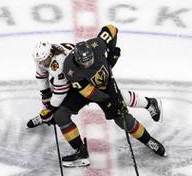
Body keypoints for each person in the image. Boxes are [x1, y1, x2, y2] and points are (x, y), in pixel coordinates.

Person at [29, 24, 165, 167]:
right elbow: (87, 92)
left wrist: (112, 52)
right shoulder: (69, 70)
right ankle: (81, 152)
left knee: (122, 120)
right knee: (60, 115)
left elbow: (111, 29)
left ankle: (148, 139)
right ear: (76, 59)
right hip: (85, 87)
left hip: (103, 84)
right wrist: (51, 109)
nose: (87, 63)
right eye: (84, 62)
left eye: (89, 60)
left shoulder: (97, 44)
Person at [27, 41, 162, 129]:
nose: (41, 63)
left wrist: (51, 108)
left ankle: (149, 103)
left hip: (85, 75)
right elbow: (41, 75)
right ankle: (49, 117)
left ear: (50, 54)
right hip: (75, 76)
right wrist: (45, 97)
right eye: (40, 61)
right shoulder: (44, 56)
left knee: (113, 97)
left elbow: (61, 90)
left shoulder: (59, 63)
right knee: (53, 95)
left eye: (44, 61)